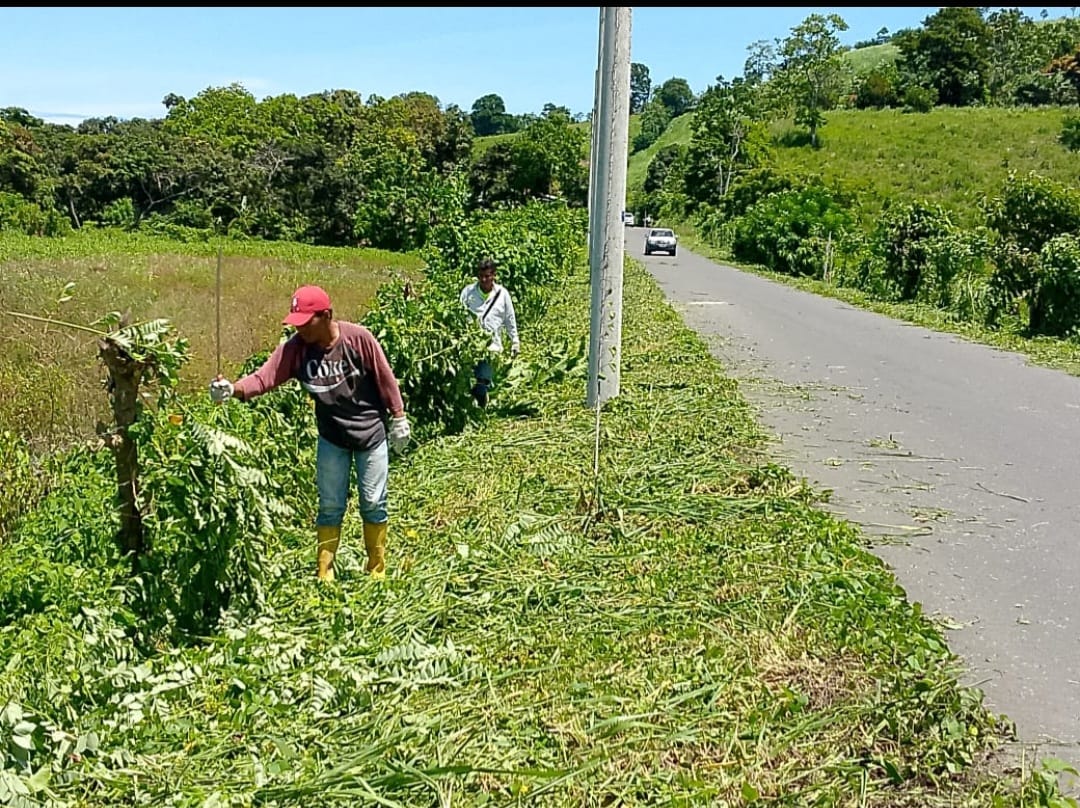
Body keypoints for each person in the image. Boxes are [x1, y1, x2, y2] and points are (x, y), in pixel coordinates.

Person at [209, 285, 411, 583]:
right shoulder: (297, 349)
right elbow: (264, 378)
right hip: (332, 438)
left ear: (326, 315)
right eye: (296, 322)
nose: (299, 329)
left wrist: (399, 417)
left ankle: (376, 570)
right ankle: (325, 573)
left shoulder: (358, 339)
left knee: (373, 502)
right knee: (330, 507)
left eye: (306, 322)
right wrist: (232, 389)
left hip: (370, 436)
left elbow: (385, 378)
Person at [459, 258, 520, 407]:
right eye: (481, 276)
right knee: (469, 382)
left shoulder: (502, 294)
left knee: (482, 381)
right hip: (470, 346)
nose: (484, 280)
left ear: (494, 275)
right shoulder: (468, 292)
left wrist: (515, 341)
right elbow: (459, 315)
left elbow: (509, 319)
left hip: (492, 347)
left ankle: (481, 409)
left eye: (487, 276)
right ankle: (472, 408)